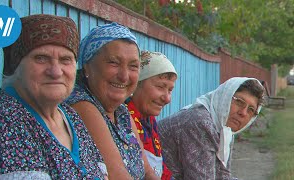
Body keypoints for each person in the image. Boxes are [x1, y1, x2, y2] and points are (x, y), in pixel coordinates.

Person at [0, 14, 106, 179]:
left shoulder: (69, 115)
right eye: (41, 58)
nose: (56, 72)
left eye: (66, 60)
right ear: (17, 66)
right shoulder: (4, 120)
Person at [65, 23, 159, 179]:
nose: (124, 76)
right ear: (87, 66)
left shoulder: (121, 111)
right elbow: (117, 175)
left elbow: (148, 172)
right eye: (114, 63)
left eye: (133, 66)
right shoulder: (81, 104)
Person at [158, 77, 265, 179]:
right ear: (225, 97)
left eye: (251, 110)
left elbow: (222, 176)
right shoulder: (200, 123)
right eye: (239, 102)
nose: (243, 113)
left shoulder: (224, 128)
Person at [125, 51, 177, 179]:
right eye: (160, 87)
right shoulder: (123, 119)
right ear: (137, 84)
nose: (167, 98)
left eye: (170, 90)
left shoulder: (149, 121)